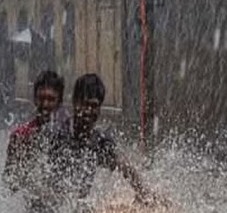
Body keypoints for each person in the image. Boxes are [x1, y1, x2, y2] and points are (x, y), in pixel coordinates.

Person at [3, 70, 70, 213]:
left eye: (51, 99)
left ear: (60, 101)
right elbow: (10, 181)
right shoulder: (22, 136)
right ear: (34, 99)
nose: (45, 104)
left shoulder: (72, 134)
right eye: (41, 98)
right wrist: (33, 182)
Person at [50, 73, 160, 205]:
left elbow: (124, 165)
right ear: (75, 102)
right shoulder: (59, 135)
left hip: (78, 207)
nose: (88, 111)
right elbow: (45, 179)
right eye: (85, 104)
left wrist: (144, 192)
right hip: (53, 207)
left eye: (94, 106)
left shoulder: (99, 141)